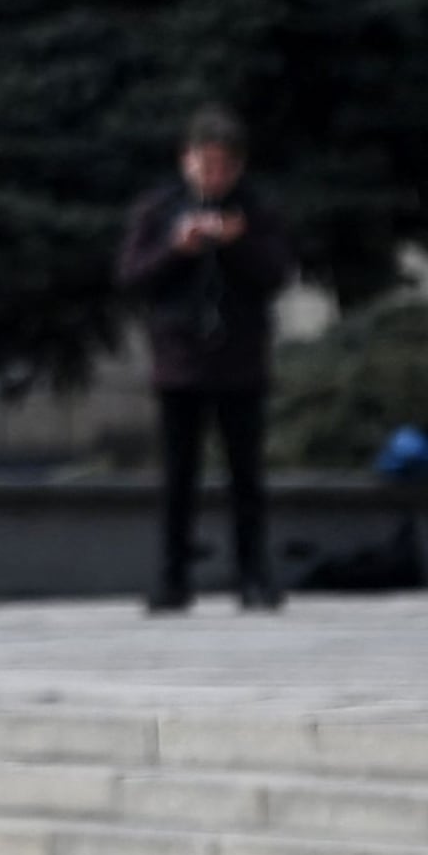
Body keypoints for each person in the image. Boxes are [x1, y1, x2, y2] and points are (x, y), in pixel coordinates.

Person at [118, 108, 293, 613]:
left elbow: (277, 273)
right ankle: (172, 580)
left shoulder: (256, 211)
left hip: (241, 362)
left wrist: (238, 245)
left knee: (246, 477)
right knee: (178, 478)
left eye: (222, 166)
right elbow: (132, 277)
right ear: (186, 160)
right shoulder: (159, 209)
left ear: (237, 168)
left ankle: (254, 577)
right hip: (179, 363)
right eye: (204, 163)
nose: (212, 175)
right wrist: (178, 249)